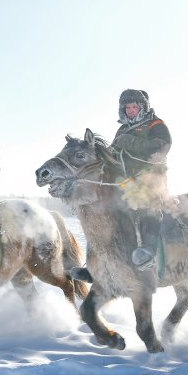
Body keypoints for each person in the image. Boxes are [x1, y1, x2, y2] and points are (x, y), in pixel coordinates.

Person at [71, 89, 171, 282]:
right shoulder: (122, 129)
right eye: (128, 107)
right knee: (102, 212)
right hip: (124, 182)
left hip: (149, 181)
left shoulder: (155, 124)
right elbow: (111, 155)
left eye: (135, 107)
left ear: (143, 107)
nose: (131, 110)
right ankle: (95, 266)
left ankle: (148, 253)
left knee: (145, 205)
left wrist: (131, 142)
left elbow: (162, 147)